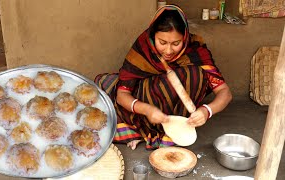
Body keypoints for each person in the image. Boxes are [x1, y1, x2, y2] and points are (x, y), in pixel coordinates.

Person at [94, 5, 232, 150]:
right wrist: (147, 110)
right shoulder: (143, 46)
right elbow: (122, 95)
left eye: (176, 43)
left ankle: (175, 129)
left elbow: (225, 93)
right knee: (105, 87)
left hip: (177, 107)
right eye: (162, 42)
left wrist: (206, 111)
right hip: (147, 100)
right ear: (153, 36)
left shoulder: (196, 49)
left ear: (185, 38)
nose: (168, 50)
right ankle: (147, 130)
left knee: (195, 75)